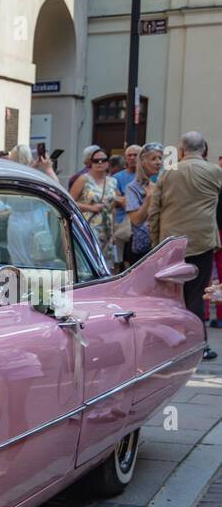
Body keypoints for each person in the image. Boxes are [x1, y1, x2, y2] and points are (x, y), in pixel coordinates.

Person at [150, 131, 222, 358]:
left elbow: (155, 210)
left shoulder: (168, 172)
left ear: (181, 150)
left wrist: (156, 241)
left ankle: (170, 344)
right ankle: (199, 344)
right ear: (203, 149)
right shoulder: (214, 172)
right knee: (197, 294)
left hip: (171, 243)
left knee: (171, 295)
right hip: (201, 241)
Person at [70, 148, 124, 263]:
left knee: (105, 264)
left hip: (106, 229)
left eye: (103, 160)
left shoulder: (112, 181)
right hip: (88, 226)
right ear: (91, 163)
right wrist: (90, 208)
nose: (99, 163)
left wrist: (114, 231)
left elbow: (113, 206)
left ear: (108, 163)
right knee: (88, 261)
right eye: (96, 160)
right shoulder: (84, 179)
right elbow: (69, 202)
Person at [122, 143, 164, 271]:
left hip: (158, 245)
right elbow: (136, 220)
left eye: (160, 158)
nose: (158, 162)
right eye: (153, 159)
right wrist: (149, 199)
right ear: (143, 162)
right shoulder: (132, 187)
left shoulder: (157, 184)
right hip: (141, 249)